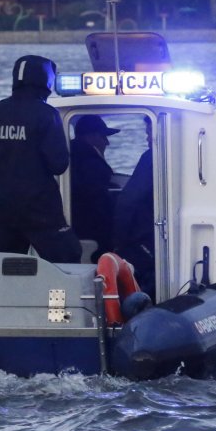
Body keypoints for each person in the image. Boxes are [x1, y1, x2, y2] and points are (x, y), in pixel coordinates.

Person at [0, 55, 81, 264]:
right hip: (39, 208)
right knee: (67, 259)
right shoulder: (46, 114)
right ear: (46, 81)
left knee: (1, 267)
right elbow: (58, 164)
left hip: (3, 208)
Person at [114, 118, 155, 299]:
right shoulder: (154, 156)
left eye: (149, 131)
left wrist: (119, 241)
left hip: (146, 235)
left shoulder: (150, 158)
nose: (147, 137)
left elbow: (129, 200)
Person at [69, 114, 120, 260]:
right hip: (92, 233)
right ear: (91, 137)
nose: (107, 143)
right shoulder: (93, 165)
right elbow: (99, 205)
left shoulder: (70, 157)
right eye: (103, 137)